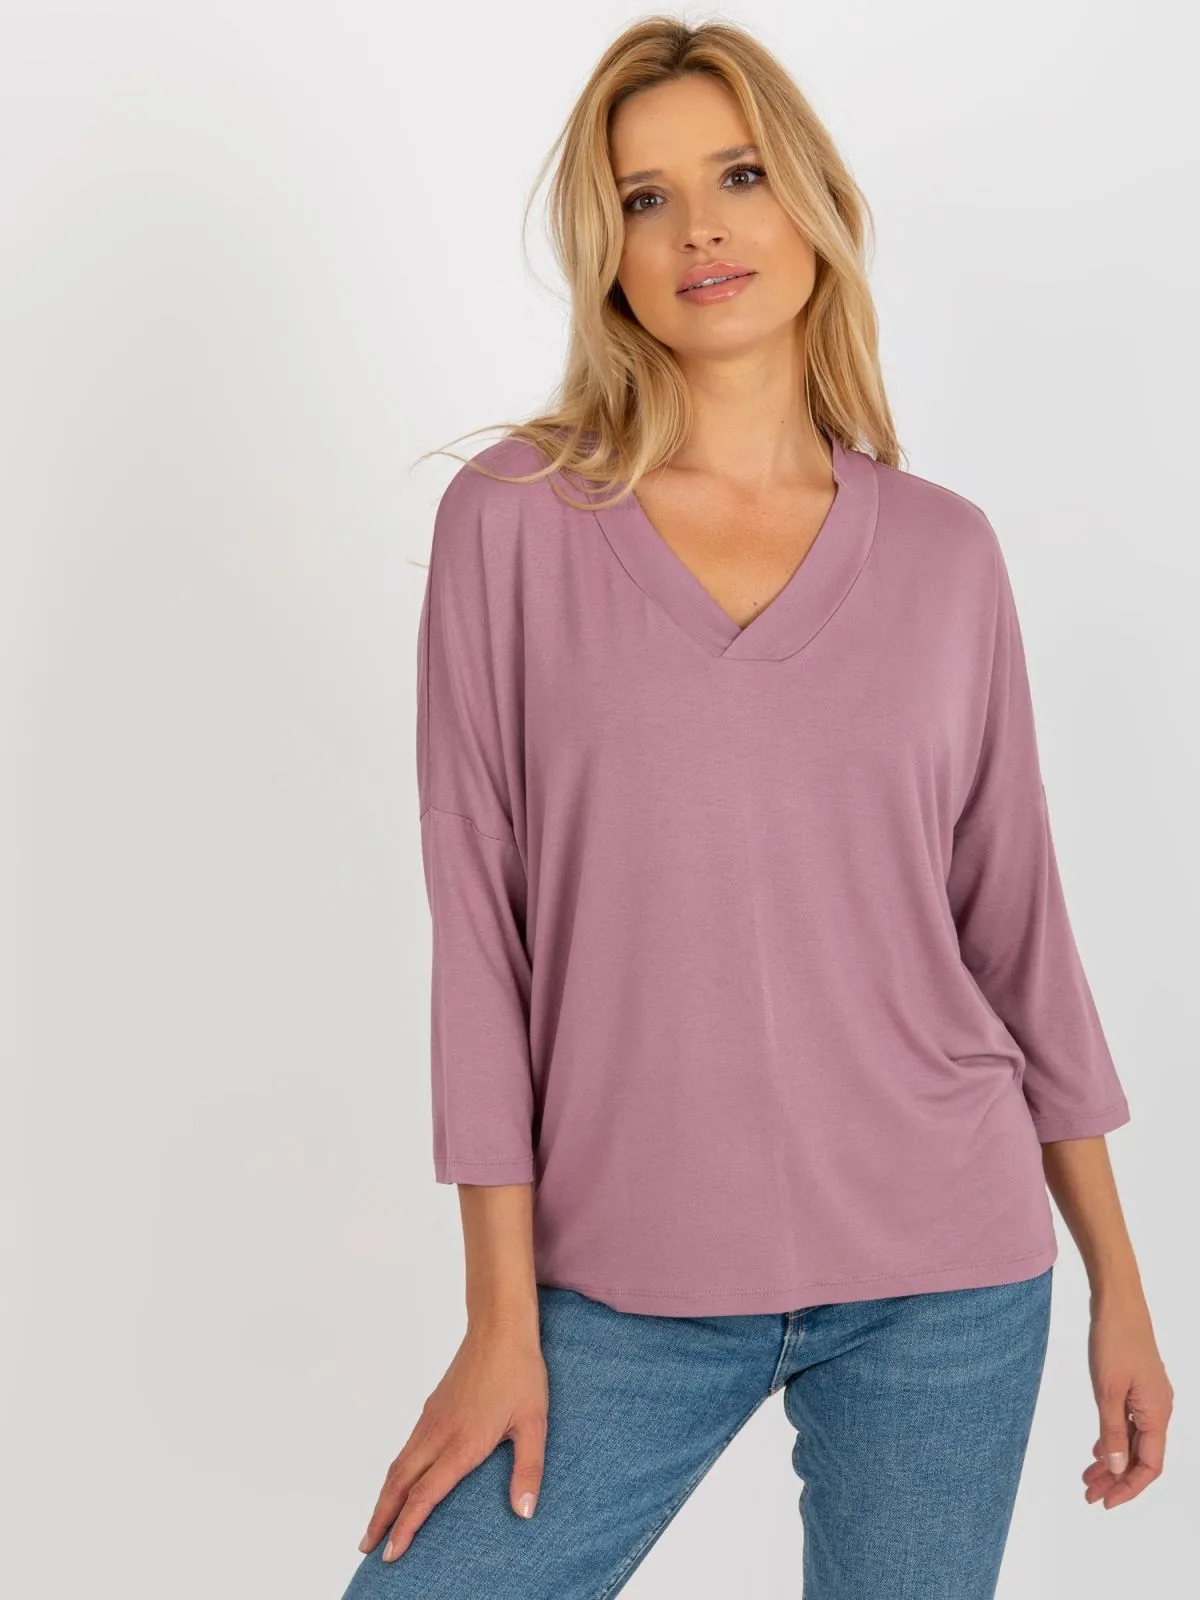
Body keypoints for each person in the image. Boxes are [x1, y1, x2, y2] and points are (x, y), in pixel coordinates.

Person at [340, 16, 1172, 1598]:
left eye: (737, 177)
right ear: (607, 255)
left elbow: (1017, 929)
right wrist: (499, 1322)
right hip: (620, 1283)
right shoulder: (514, 521)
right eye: (644, 199)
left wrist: (1118, 1279)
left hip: (946, 1275)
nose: (700, 231)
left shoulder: (946, 555)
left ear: (813, 205)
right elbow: (481, 941)